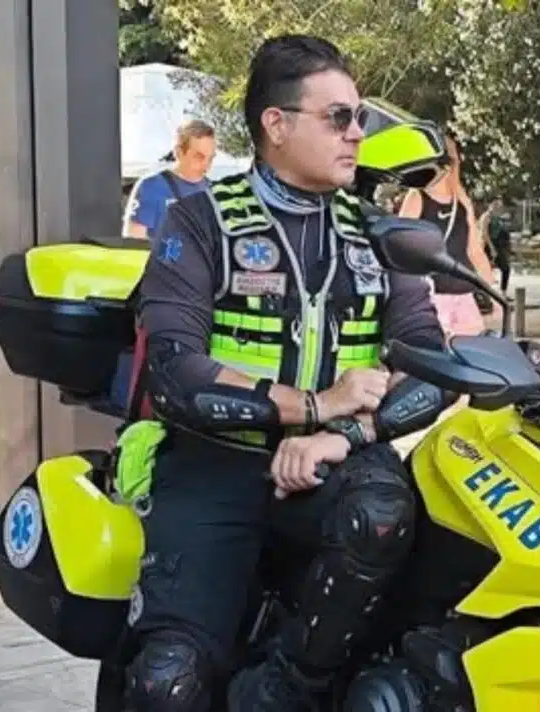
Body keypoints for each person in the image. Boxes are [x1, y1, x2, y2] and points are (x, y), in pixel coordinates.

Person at [122, 34, 454, 712]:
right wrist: (314, 405)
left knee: (381, 513)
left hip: (337, 466)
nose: (357, 134)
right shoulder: (199, 221)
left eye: (359, 117)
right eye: (339, 117)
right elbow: (175, 372)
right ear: (276, 124)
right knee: (164, 684)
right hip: (215, 465)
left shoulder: (379, 235)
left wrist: (343, 436)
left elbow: (432, 362)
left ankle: (283, 693)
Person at [397, 134, 497, 337]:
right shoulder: (417, 198)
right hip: (432, 298)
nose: (453, 167)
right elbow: (400, 251)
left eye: (454, 159)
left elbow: (474, 251)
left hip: (464, 298)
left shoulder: (462, 202)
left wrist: (493, 293)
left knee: (472, 350)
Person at [122, 119, 217, 238]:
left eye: (211, 158)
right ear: (179, 153)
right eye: (199, 157)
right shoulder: (152, 187)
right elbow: (133, 241)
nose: (206, 166)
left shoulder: (215, 192)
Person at [481, 198, 512, 294]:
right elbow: (484, 234)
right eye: (496, 205)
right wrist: (491, 248)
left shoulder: (497, 218)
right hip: (487, 245)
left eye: (500, 206)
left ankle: (503, 292)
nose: (498, 208)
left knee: (505, 268)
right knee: (486, 271)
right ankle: (483, 294)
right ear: (491, 205)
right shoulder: (486, 217)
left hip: (497, 245)